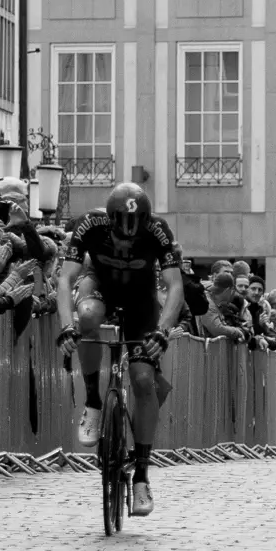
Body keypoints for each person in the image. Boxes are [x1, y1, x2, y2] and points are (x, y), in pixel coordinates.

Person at [56, 183, 185, 518]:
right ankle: (94, 402)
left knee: (142, 379)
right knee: (87, 317)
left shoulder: (158, 231)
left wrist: (163, 332)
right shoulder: (89, 225)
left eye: (132, 239)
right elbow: (65, 279)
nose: (125, 244)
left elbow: (174, 287)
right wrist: (66, 325)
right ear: (109, 223)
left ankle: (141, 475)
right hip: (99, 284)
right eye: (119, 238)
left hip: (141, 298)